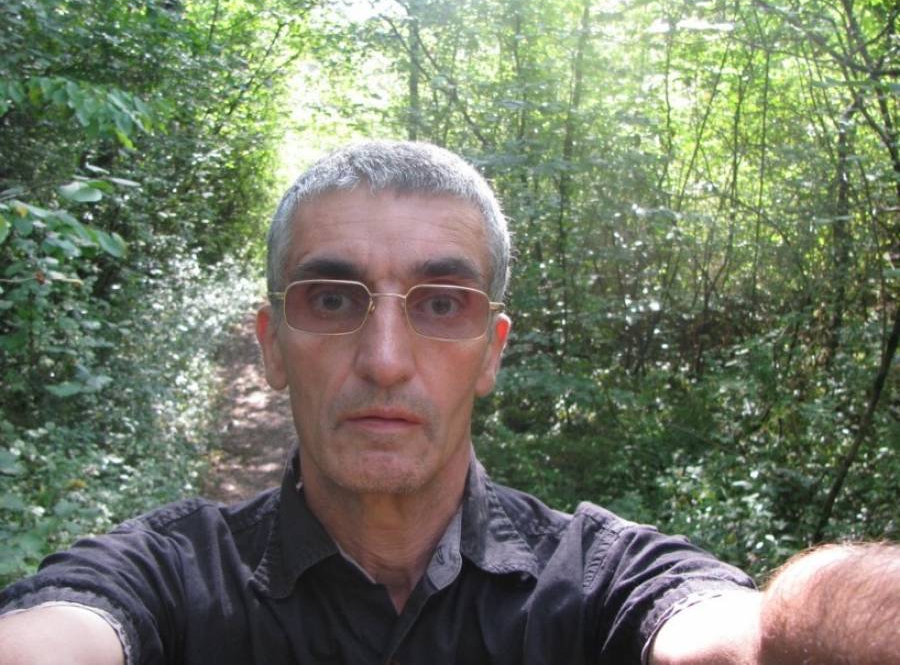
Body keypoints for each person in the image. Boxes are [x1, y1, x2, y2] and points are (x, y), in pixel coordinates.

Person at [0, 141, 897, 665]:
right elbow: (57, 636)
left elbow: (741, 635)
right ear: (271, 346)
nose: (386, 361)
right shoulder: (170, 578)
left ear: (491, 352)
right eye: (331, 300)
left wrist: (821, 625)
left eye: (441, 305)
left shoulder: (598, 581)